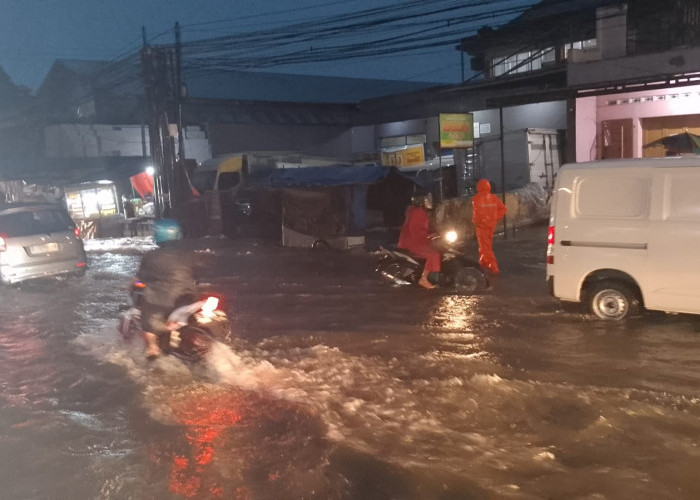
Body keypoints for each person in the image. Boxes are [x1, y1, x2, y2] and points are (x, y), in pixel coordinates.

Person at [136, 218, 198, 359]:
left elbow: (141, 278)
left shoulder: (150, 256)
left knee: (147, 321)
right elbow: (198, 274)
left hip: (161, 303)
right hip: (187, 301)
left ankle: (152, 347)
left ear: (158, 235)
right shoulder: (190, 254)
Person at [397, 192, 441, 289]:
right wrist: (429, 236)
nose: (429, 202)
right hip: (412, 242)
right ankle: (424, 278)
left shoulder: (417, 211)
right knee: (433, 255)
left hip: (413, 240)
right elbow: (416, 231)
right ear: (420, 201)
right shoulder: (418, 212)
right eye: (426, 200)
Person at [471, 179, 507, 275]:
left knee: (485, 247)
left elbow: (476, 213)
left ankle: (493, 267)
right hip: (490, 225)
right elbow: (503, 209)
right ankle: (483, 263)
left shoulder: (476, 198)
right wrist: (495, 218)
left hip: (481, 226)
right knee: (485, 245)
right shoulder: (493, 198)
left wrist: (476, 222)